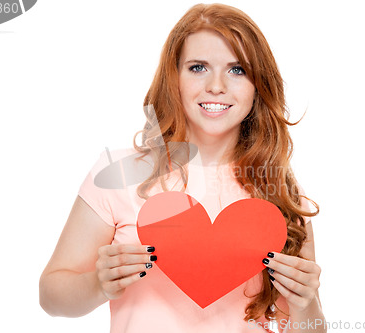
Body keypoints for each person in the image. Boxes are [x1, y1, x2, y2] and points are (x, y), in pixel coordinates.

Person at [39, 3, 325, 332]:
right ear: (174, 76)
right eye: (198, 67)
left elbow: (311, 328)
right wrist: (97, 285)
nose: (216, 85)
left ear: (257, 86)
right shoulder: (117, 175)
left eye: (237, 70)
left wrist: (308, 302)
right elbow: (51, 295)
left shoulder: (281, 193)